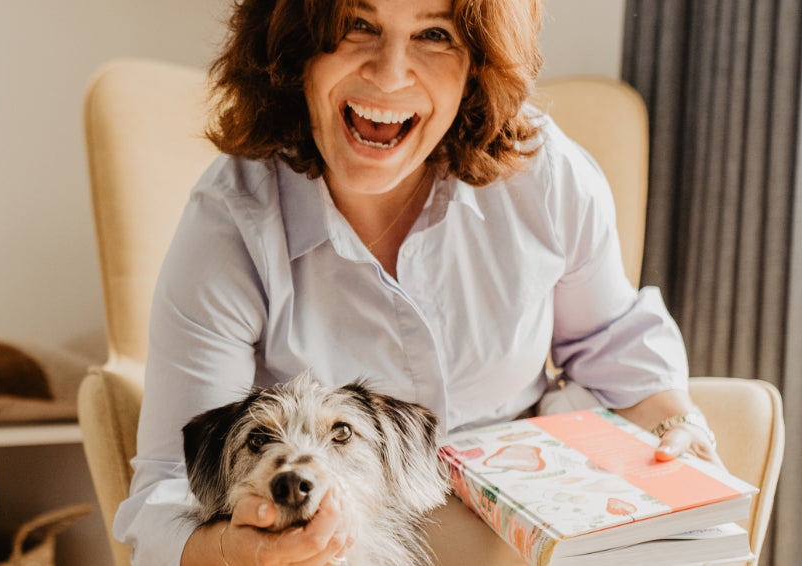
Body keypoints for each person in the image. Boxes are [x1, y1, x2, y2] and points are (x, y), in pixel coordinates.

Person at [113, 0, 721, 564]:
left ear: (476, 66)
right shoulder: (231, 225)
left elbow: (614, 349)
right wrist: (241, 552)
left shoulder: (547, 175)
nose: (389, 74)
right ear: (297, 46)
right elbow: (164, 498)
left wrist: (676, 431)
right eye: (358, 24)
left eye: (436, 34)